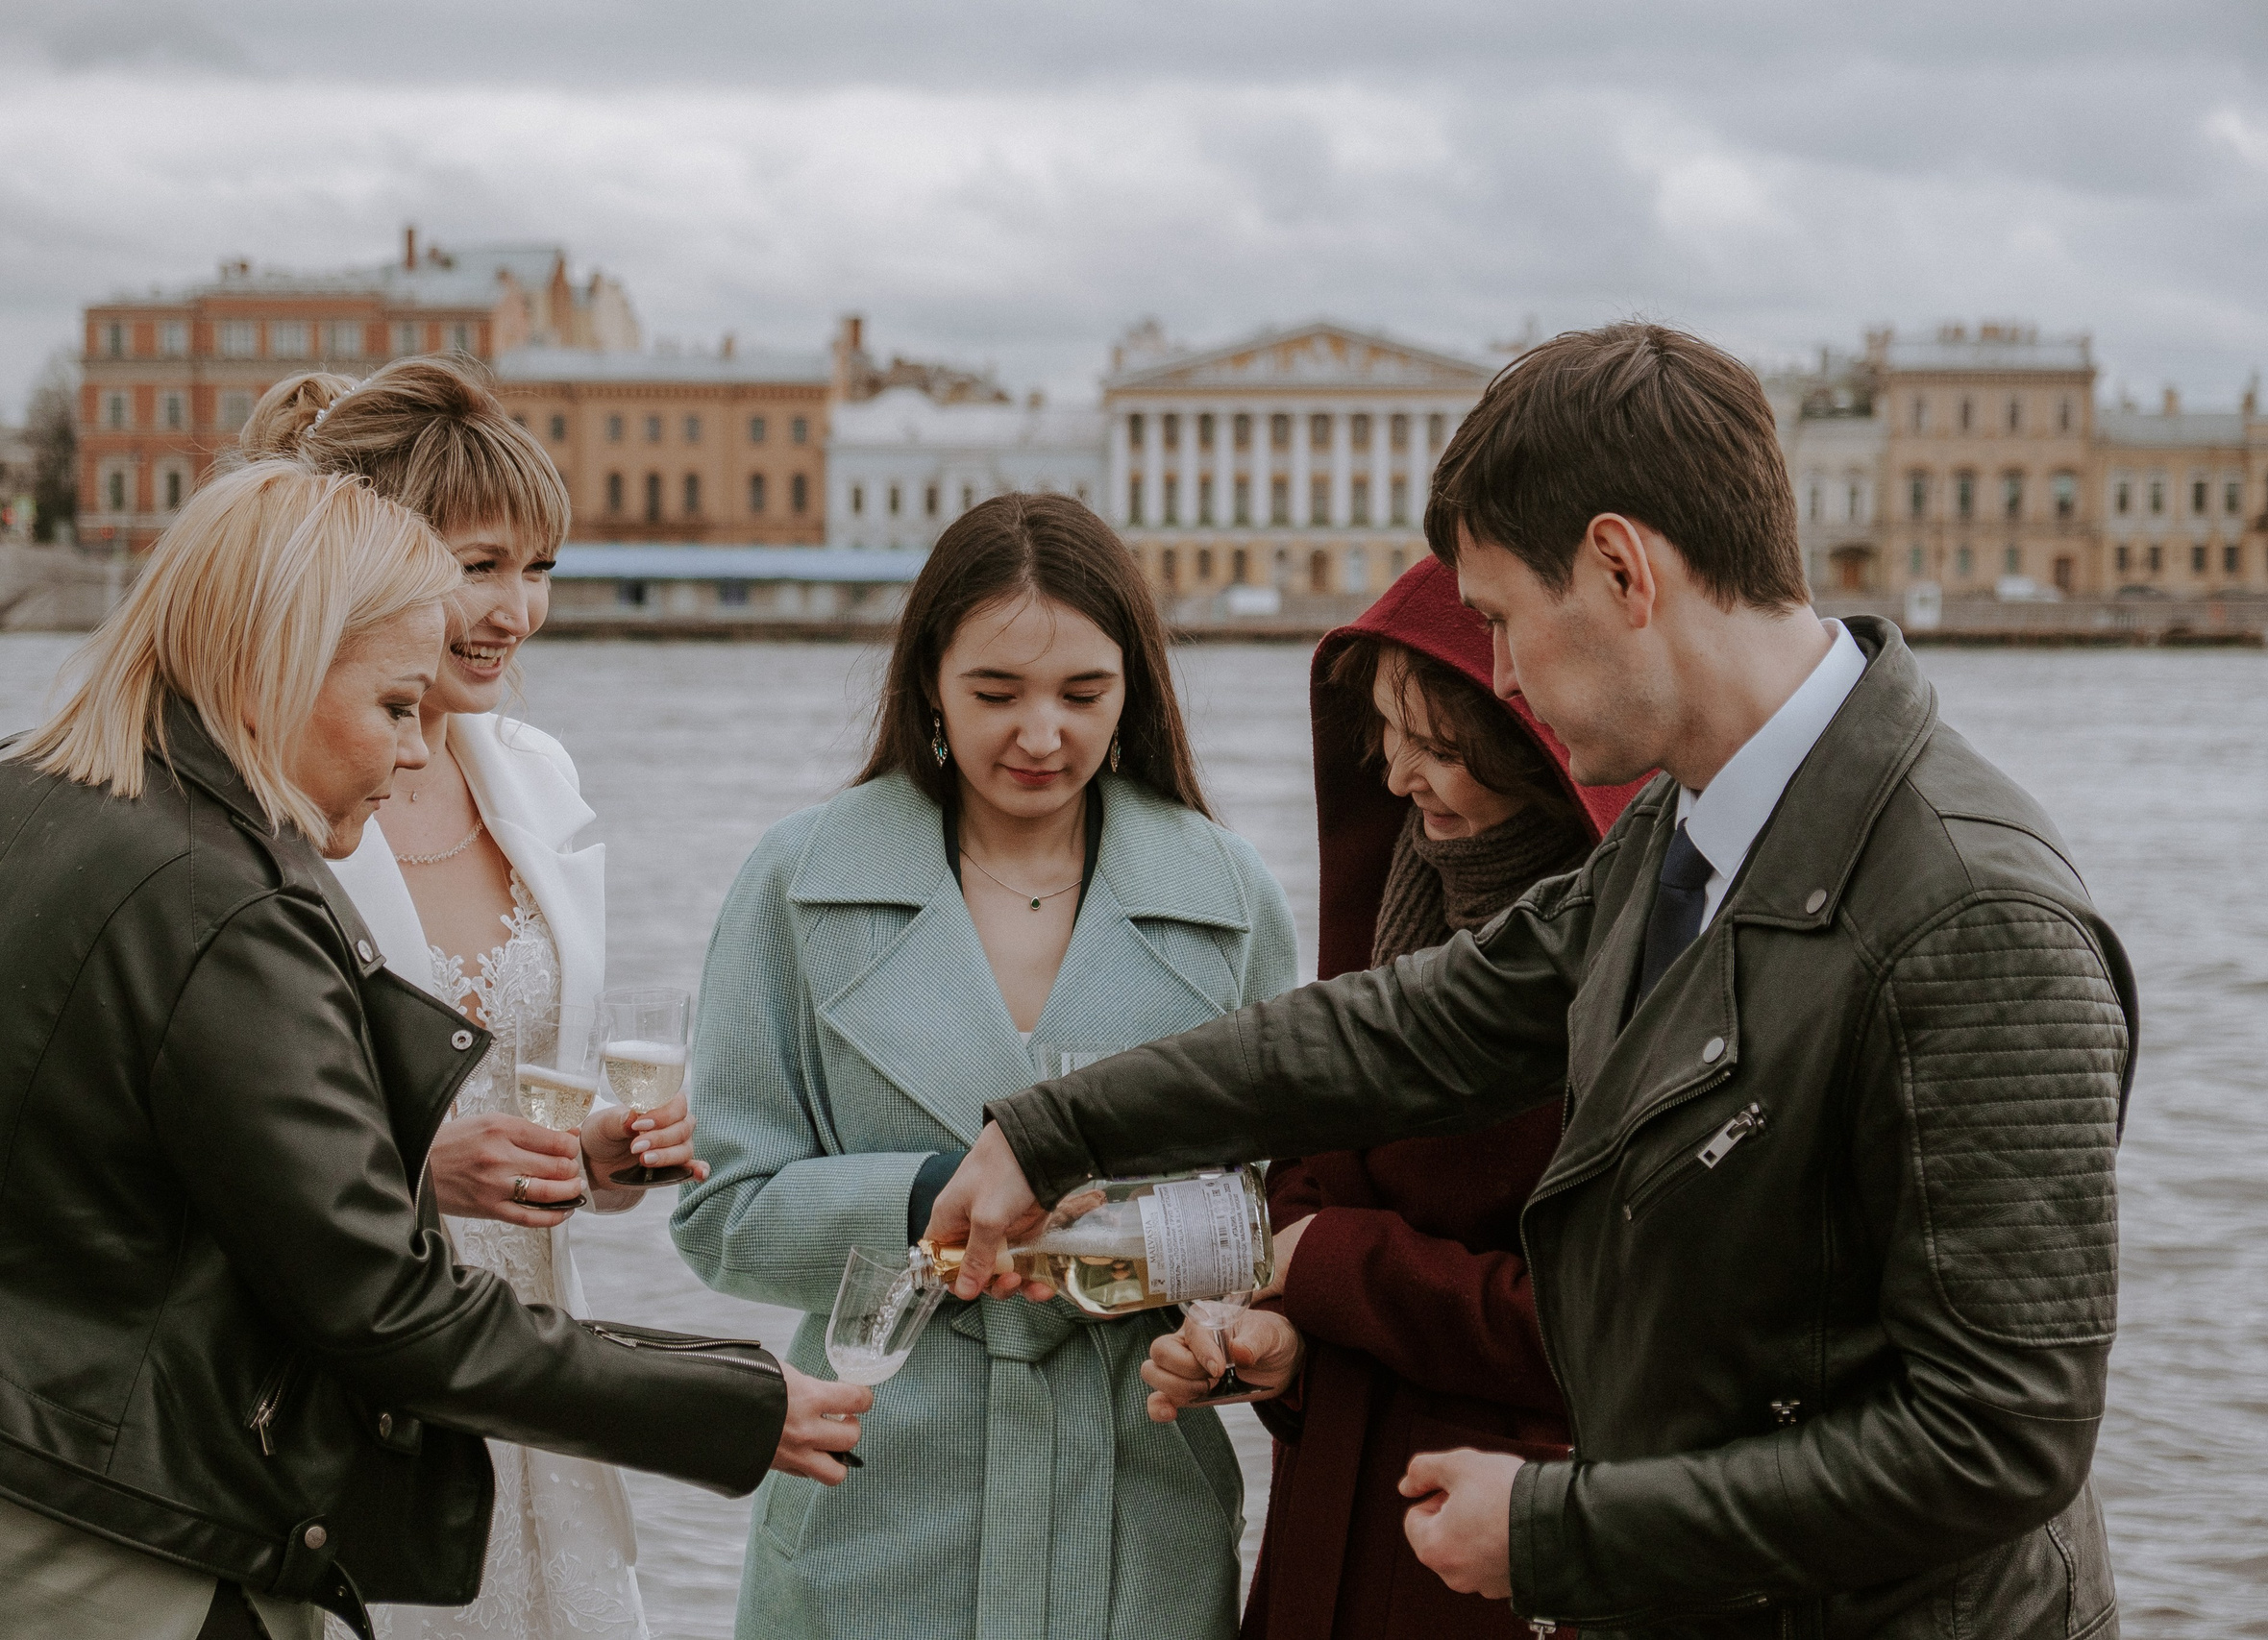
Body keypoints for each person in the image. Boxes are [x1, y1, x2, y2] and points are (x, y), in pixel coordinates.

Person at [932, 325, 2135, 1638]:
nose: (1494, 672)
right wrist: (1052, 1129)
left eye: (1501, 616)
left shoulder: (1979, 914)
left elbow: (1999, 1442)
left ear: (1622, 567)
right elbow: (1412, 1028)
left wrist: (1562, 1528)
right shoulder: (1687, 835)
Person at [0, 462, 866, 1640]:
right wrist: (729, 1406)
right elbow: (386, 1307)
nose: (419, 753)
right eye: (396, 706)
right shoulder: (227, 904)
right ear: (273, 668)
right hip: (125, 1558)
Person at [671, 493, 1298, 1640]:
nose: (1042, 735)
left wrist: (1224, 1331)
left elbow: (1266, 1208)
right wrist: (937, 1200)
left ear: (1136, 692)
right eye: (996, 694)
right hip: (877, 1492)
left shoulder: (1228, 898)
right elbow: (721, 1215)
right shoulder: (796, 884)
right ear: (927, 686)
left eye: (1083, 694)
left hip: (1134, 1495)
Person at [237, 359, 680, 1639]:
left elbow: (531, 1098)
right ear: (364, 552)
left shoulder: (535, 771)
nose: (520, 611)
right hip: (340, 1365)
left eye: (540, 568)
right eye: (482, 564)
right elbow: (213, 1132)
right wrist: (428, 1180)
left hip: (533, 1350)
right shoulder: (264, 799)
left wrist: (598, 1158)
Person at [1141, 554, 1640, 1640]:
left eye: (1440, 745)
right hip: (1336, 1524)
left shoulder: (1632, 974)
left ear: (1531, 739)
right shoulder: (1387, 917)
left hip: (1512, 1547)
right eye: (1385, 735)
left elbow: (1617, 1328)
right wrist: (1283, 1351)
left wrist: (1329, 1268)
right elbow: (1304, 1191)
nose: (1402, 775)